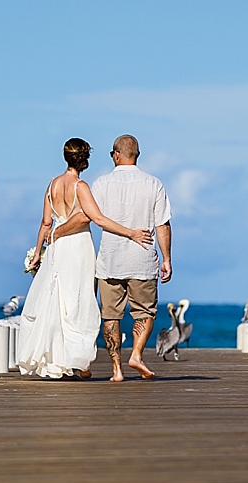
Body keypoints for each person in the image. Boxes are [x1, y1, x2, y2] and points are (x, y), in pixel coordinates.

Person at [17, 138, 153, 379]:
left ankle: (63, 360)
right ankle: (79, 362)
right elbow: (97, 219)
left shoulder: (52, 185)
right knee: (79, 302)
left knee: (58, 301)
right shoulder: (81, 187)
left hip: (57, 247)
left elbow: (46, 223)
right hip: (78, 248)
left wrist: (38, 252)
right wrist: (131, 233)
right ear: (84, 159)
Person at [56, 134, 172, 381]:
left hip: (110, 261)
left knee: (110, 316)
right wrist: (166, 259)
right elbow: (162, 224)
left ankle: (117, 370)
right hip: (142, 259)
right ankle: (136, 355)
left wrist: (57, 232)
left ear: (116, 155)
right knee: (144, 312)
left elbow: (86, 216)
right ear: (137, 155)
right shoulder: (154, 184)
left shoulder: (101, 184)